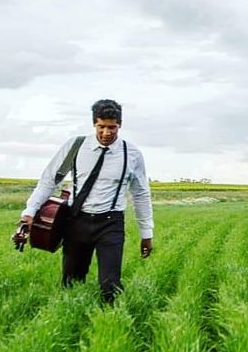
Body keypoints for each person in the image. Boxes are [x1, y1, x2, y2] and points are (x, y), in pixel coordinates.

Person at [20, 99, 153, 303]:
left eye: (112, 127)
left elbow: (141, 195)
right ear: (94, 124)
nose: (106, 133)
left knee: (110, 286)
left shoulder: (132, 154)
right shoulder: (75, 146)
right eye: (101, 127)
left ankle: (110, 324)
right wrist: (29, 211)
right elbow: (49, 180)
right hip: (77, 221)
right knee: (71, 284)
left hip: (111, 223)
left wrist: (146, 234)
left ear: (120, 125)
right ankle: (72, 322)